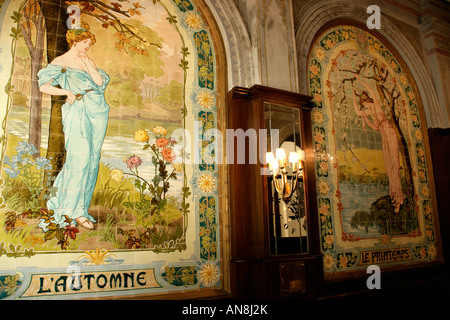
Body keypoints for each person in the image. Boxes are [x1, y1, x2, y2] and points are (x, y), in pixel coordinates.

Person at [37, 22, 110, 230]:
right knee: (79, 158)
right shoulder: (62, 60)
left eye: (89, 43)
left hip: (96, 109)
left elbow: (98, 82)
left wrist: (87, 63)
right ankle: (70, 211)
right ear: (75, 41)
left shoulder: (87, 59)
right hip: (76, 109)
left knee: (92, 160)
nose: (87, 46)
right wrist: (66, 92)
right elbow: (43, 85)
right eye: (85, 42)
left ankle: (81, 209)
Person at [352, 74, 404, 213]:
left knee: (395, 164)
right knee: (389, 167)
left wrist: (360, 80)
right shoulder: (370, 112)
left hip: (390, 134)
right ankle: (394, 195)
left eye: (365, 103)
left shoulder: (376, 105)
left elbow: (371, 90)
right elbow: (359, 113)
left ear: (368, 100)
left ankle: (399, 199)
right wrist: (352, 94)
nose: (364, 106)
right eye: (363, 105)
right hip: (384, 137)